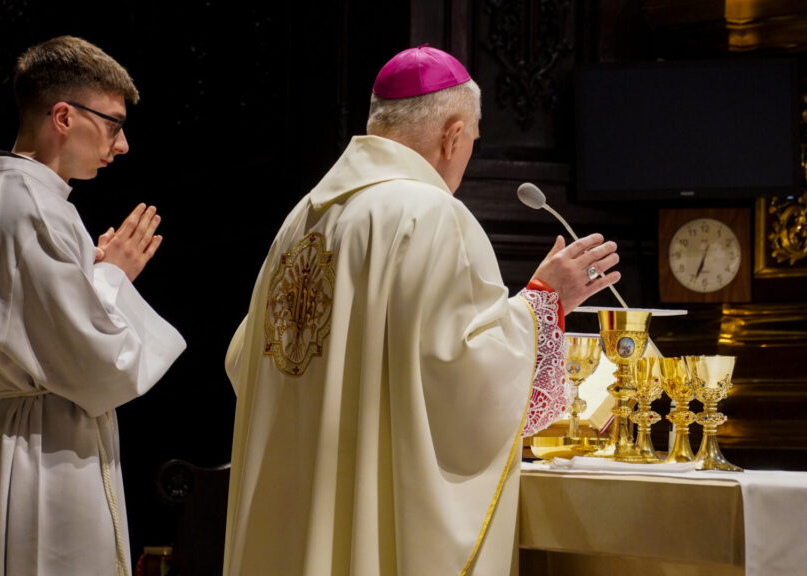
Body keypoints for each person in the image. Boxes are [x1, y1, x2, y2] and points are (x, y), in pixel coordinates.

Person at [222, 45, 620, 576]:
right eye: (472, 141)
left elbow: (244, 359)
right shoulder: (430, 214)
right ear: (453, 135)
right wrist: (546, 300)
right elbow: (461, 377)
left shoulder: (302, 219)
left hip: (292, 512)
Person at [0, 36, 186, 576]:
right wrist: (113, 277)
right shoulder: (36, 209)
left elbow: (41, 325)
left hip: (14, 435)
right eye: (114, 125)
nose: (122, 145)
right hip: (51, 449)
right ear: (63, 116)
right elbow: (98, 367)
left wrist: (90, 276)